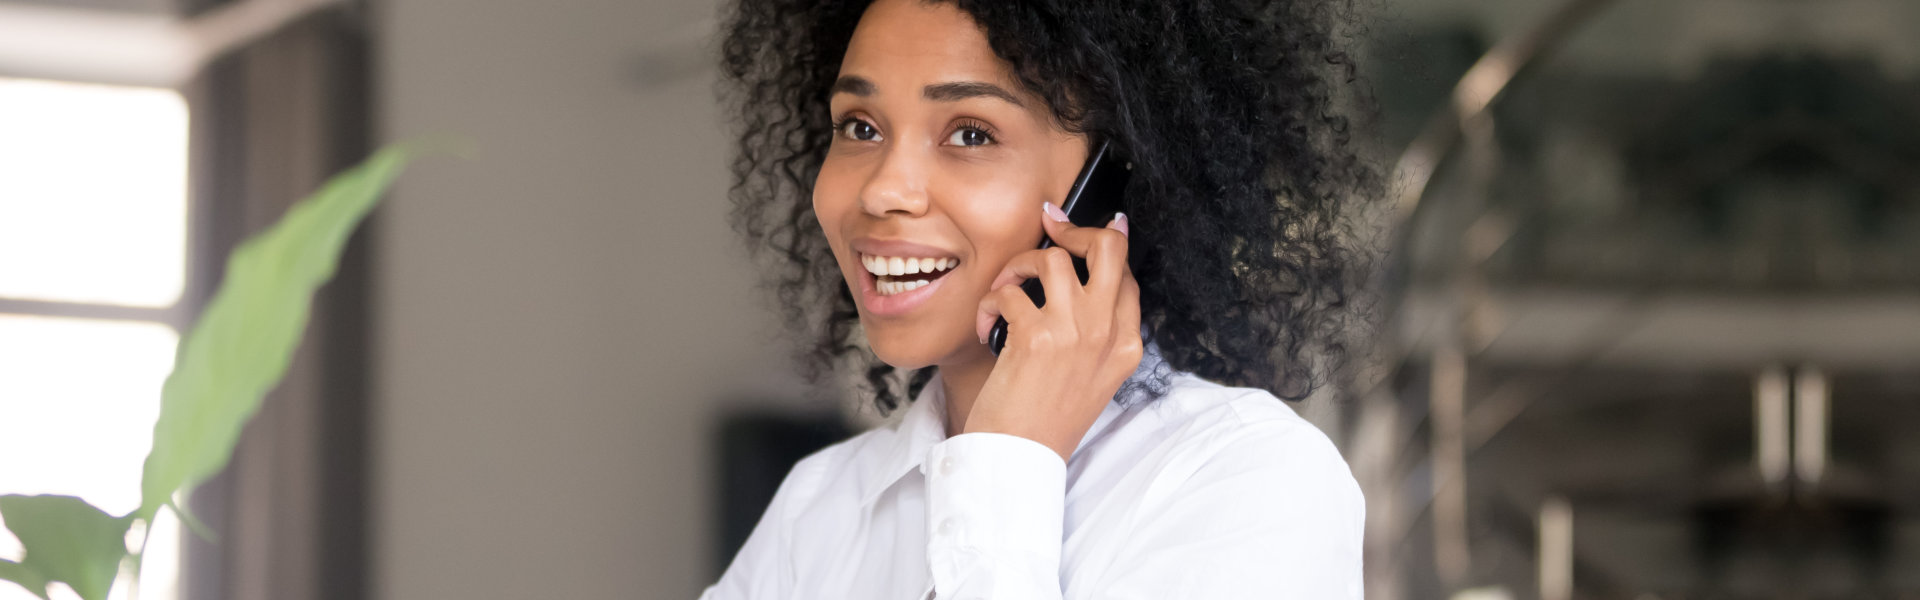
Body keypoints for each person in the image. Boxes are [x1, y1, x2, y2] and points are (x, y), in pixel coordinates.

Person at [708, 0, 1376, 597]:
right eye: (860, 126)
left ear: (1108, 187)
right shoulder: (822, 507)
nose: (884, 190)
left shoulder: (1249, 480)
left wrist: (1005, 461)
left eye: (971, 133)